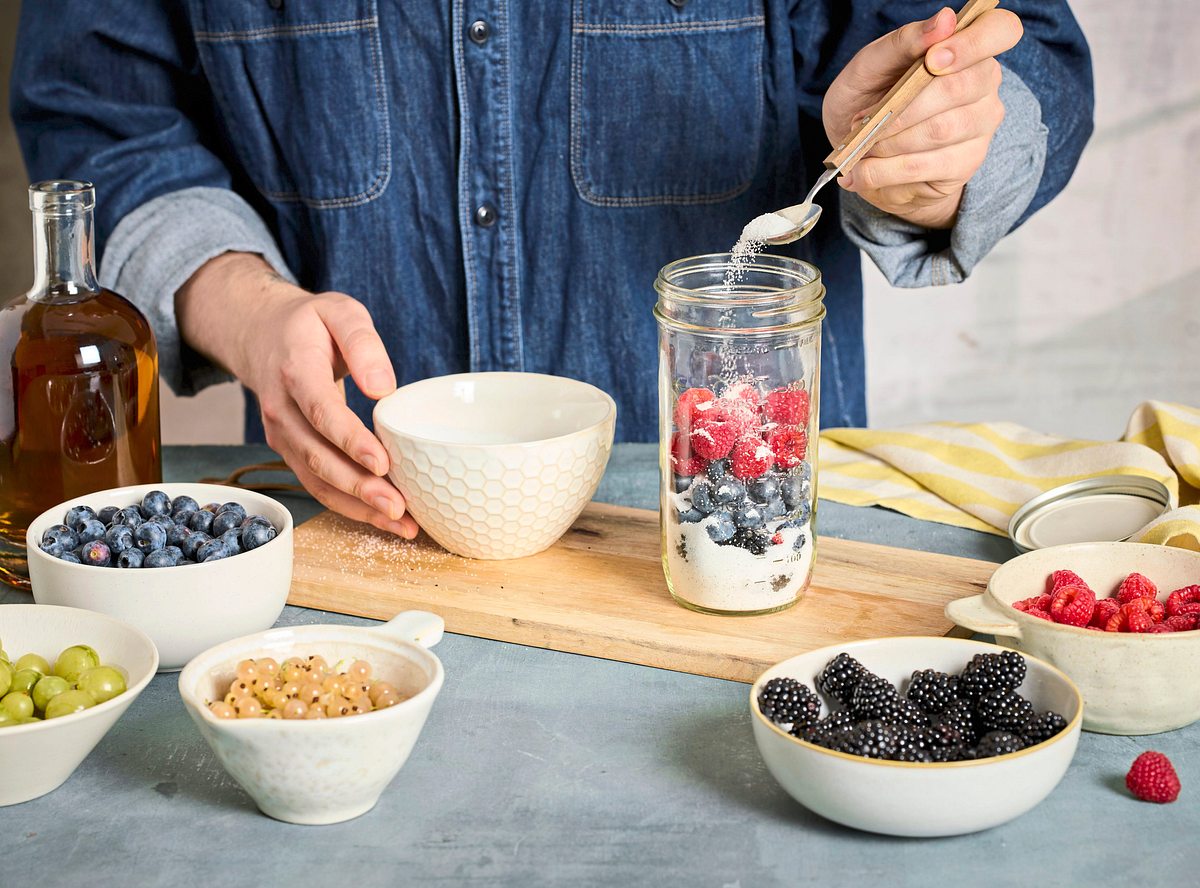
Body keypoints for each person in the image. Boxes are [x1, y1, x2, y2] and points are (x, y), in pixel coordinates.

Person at [12, 2, 1092, 539]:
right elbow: (99, 114)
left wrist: (935, 152)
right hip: (345, 533)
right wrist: (247, 309)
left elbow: (1021, 48)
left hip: (735, 522)